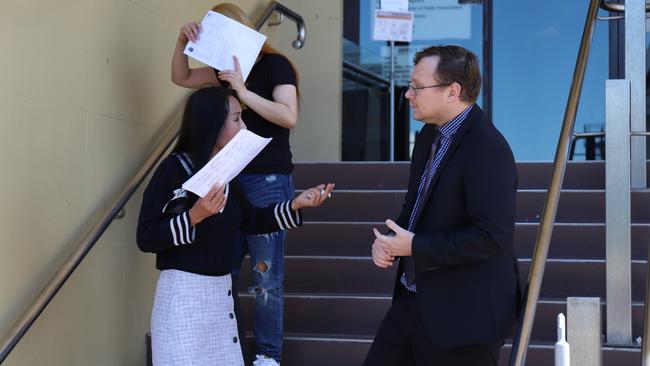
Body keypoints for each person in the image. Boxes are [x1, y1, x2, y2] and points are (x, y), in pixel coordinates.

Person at [136, 87, 333, 366]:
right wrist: (194, 216)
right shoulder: (174, 169)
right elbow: (145, 237)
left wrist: (296, 205)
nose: (244, 126)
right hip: (182, 299)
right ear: (213, 124)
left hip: (221, 298)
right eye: (237, 118)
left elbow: (250, 220)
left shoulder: (226, 173)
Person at [364, 45, 521, 366]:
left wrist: (416, 247)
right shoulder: (427, 137)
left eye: (417, 87)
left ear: (453, 92)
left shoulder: (488, 148)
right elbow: (417, 204)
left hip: (466, 316)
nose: (408, 94)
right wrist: (393, 243)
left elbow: (492, 237)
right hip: (414, 300)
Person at [171, 4, 298, 365]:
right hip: (228, 175)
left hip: (268, 177)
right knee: (222, 265)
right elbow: (181, 78)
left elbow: (287, 116)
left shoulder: (275, 65)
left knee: (265, 275)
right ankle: (225, 347)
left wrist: (242, 91)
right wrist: (182, 41)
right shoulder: (220, 71)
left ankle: (267, 356)